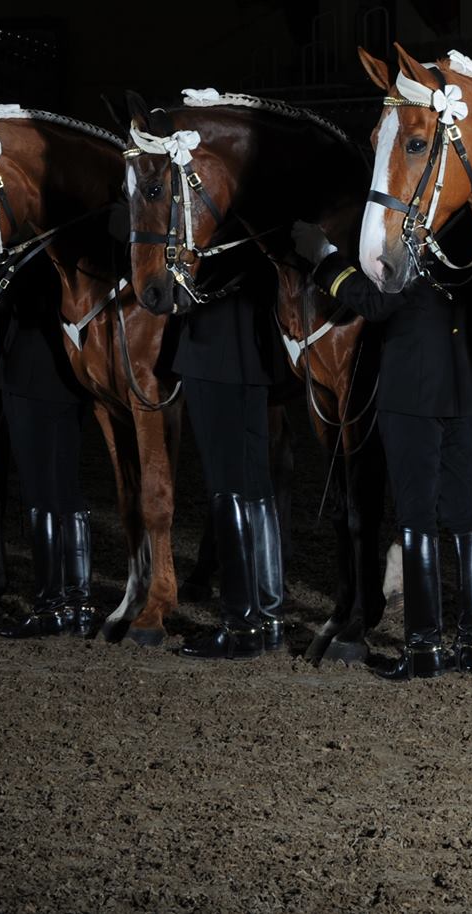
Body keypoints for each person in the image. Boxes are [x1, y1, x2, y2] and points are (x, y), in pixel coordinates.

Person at [294, 215, 472, 680]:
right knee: (464, 513)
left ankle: (423, 646)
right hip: (463, 388)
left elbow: (376, 302)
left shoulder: (417, 235)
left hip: (413, 392)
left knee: (416, 517)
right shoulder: (470, 232)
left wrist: (324, 259)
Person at [173, 261, 288, 661]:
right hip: (252, 354)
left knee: (227, 489)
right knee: (256, 488)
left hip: (213, 352)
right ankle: (269, 616)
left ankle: (241, 625)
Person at [0, 263, 96, 640]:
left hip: (31, 376)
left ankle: (51, 605)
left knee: (40, 493)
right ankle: (80, 603)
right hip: (69, 381)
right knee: (67, 489)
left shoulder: (32, 256)